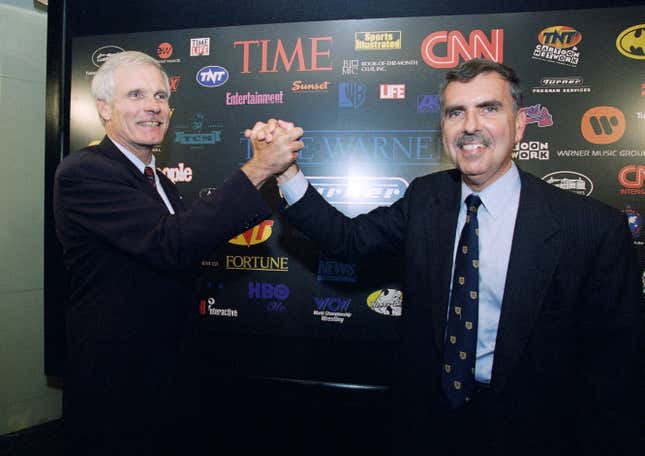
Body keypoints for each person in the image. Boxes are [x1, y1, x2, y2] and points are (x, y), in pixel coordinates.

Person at [250, 59, 641, 454]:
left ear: (520, 125)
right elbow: (348, 241)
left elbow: (616, 372)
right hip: (427, 423)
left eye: (488, 108)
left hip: (535, 431)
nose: (470, 125)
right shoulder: (425, 197)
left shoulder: (590, 228)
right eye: (456, 112)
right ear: (444, 128)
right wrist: (286, 172)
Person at [53, 51, 303, 455]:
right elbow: (171, 245)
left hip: (170, 373)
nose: (153, 106)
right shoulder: (85, 172)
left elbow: (190, 243)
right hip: (117, 382)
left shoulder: (160, 183)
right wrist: (257, 168)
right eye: (135, 95)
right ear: (104, 109)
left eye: (160, 96)